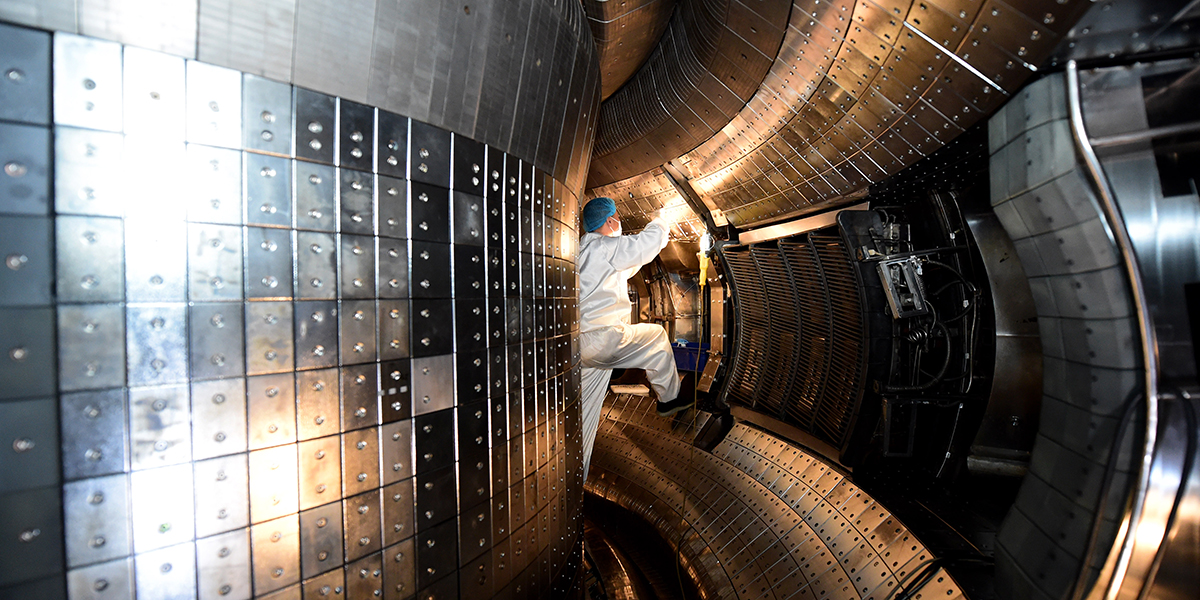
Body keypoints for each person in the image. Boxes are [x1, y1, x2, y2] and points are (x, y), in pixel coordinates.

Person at [576, 196, 691, 479]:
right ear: (610, 220)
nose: (620, 224)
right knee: (656, 337)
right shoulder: (605, 247)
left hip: (581, 348)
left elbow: (625, 266)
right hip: (604, 338)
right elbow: (645, 245)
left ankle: (574, 475)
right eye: (617, 219)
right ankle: (670, 399)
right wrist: (661, 219)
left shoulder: (582, 251)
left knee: (584, 416)